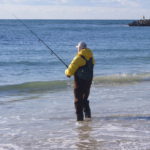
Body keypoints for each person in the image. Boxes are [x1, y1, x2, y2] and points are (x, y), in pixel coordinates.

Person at [65, 42, 95, 121]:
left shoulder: (78, 58)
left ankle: (80, 119)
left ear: (80, 48)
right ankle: (88, 116)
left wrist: (66, 72)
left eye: (78, 47)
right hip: (88, 81)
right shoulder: (91, 57)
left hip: (79, 82)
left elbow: (70, 71)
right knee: (85, 99)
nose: (77, 49)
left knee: (78, 100)